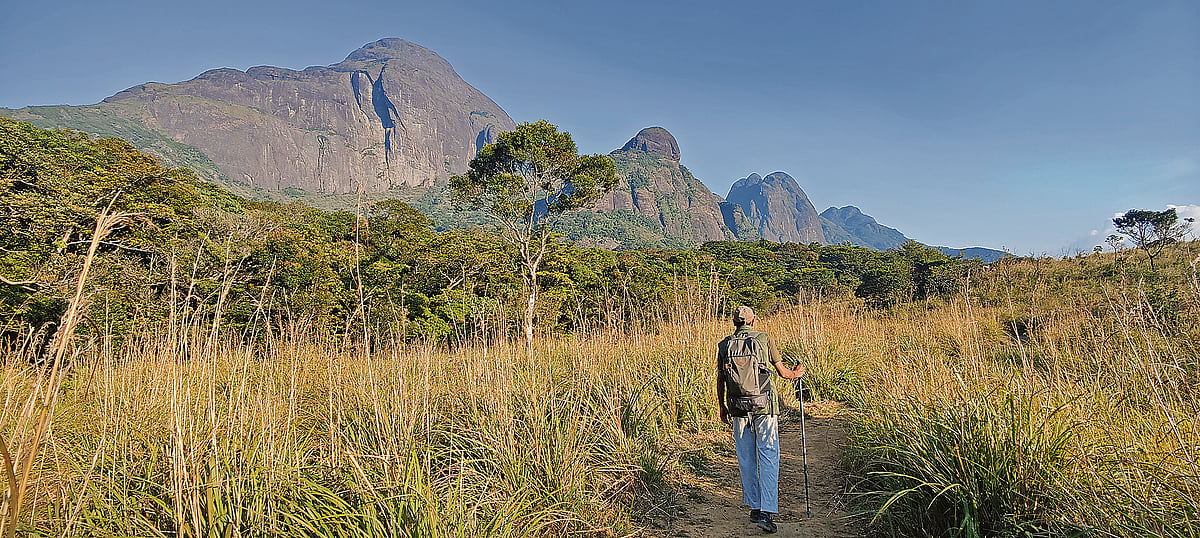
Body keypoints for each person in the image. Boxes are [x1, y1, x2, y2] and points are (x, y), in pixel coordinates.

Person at [716, 306, 804, 534]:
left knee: (746, 458)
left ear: (734, 322)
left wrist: (722, 407)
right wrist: (798, 372)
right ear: (753, 321)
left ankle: (754, 508)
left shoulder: (725, 344)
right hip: (764, 405)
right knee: (768, 456)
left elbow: (721, 379)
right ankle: (767, 512)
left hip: (737, 407)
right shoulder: (764, 339)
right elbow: (784, 373)